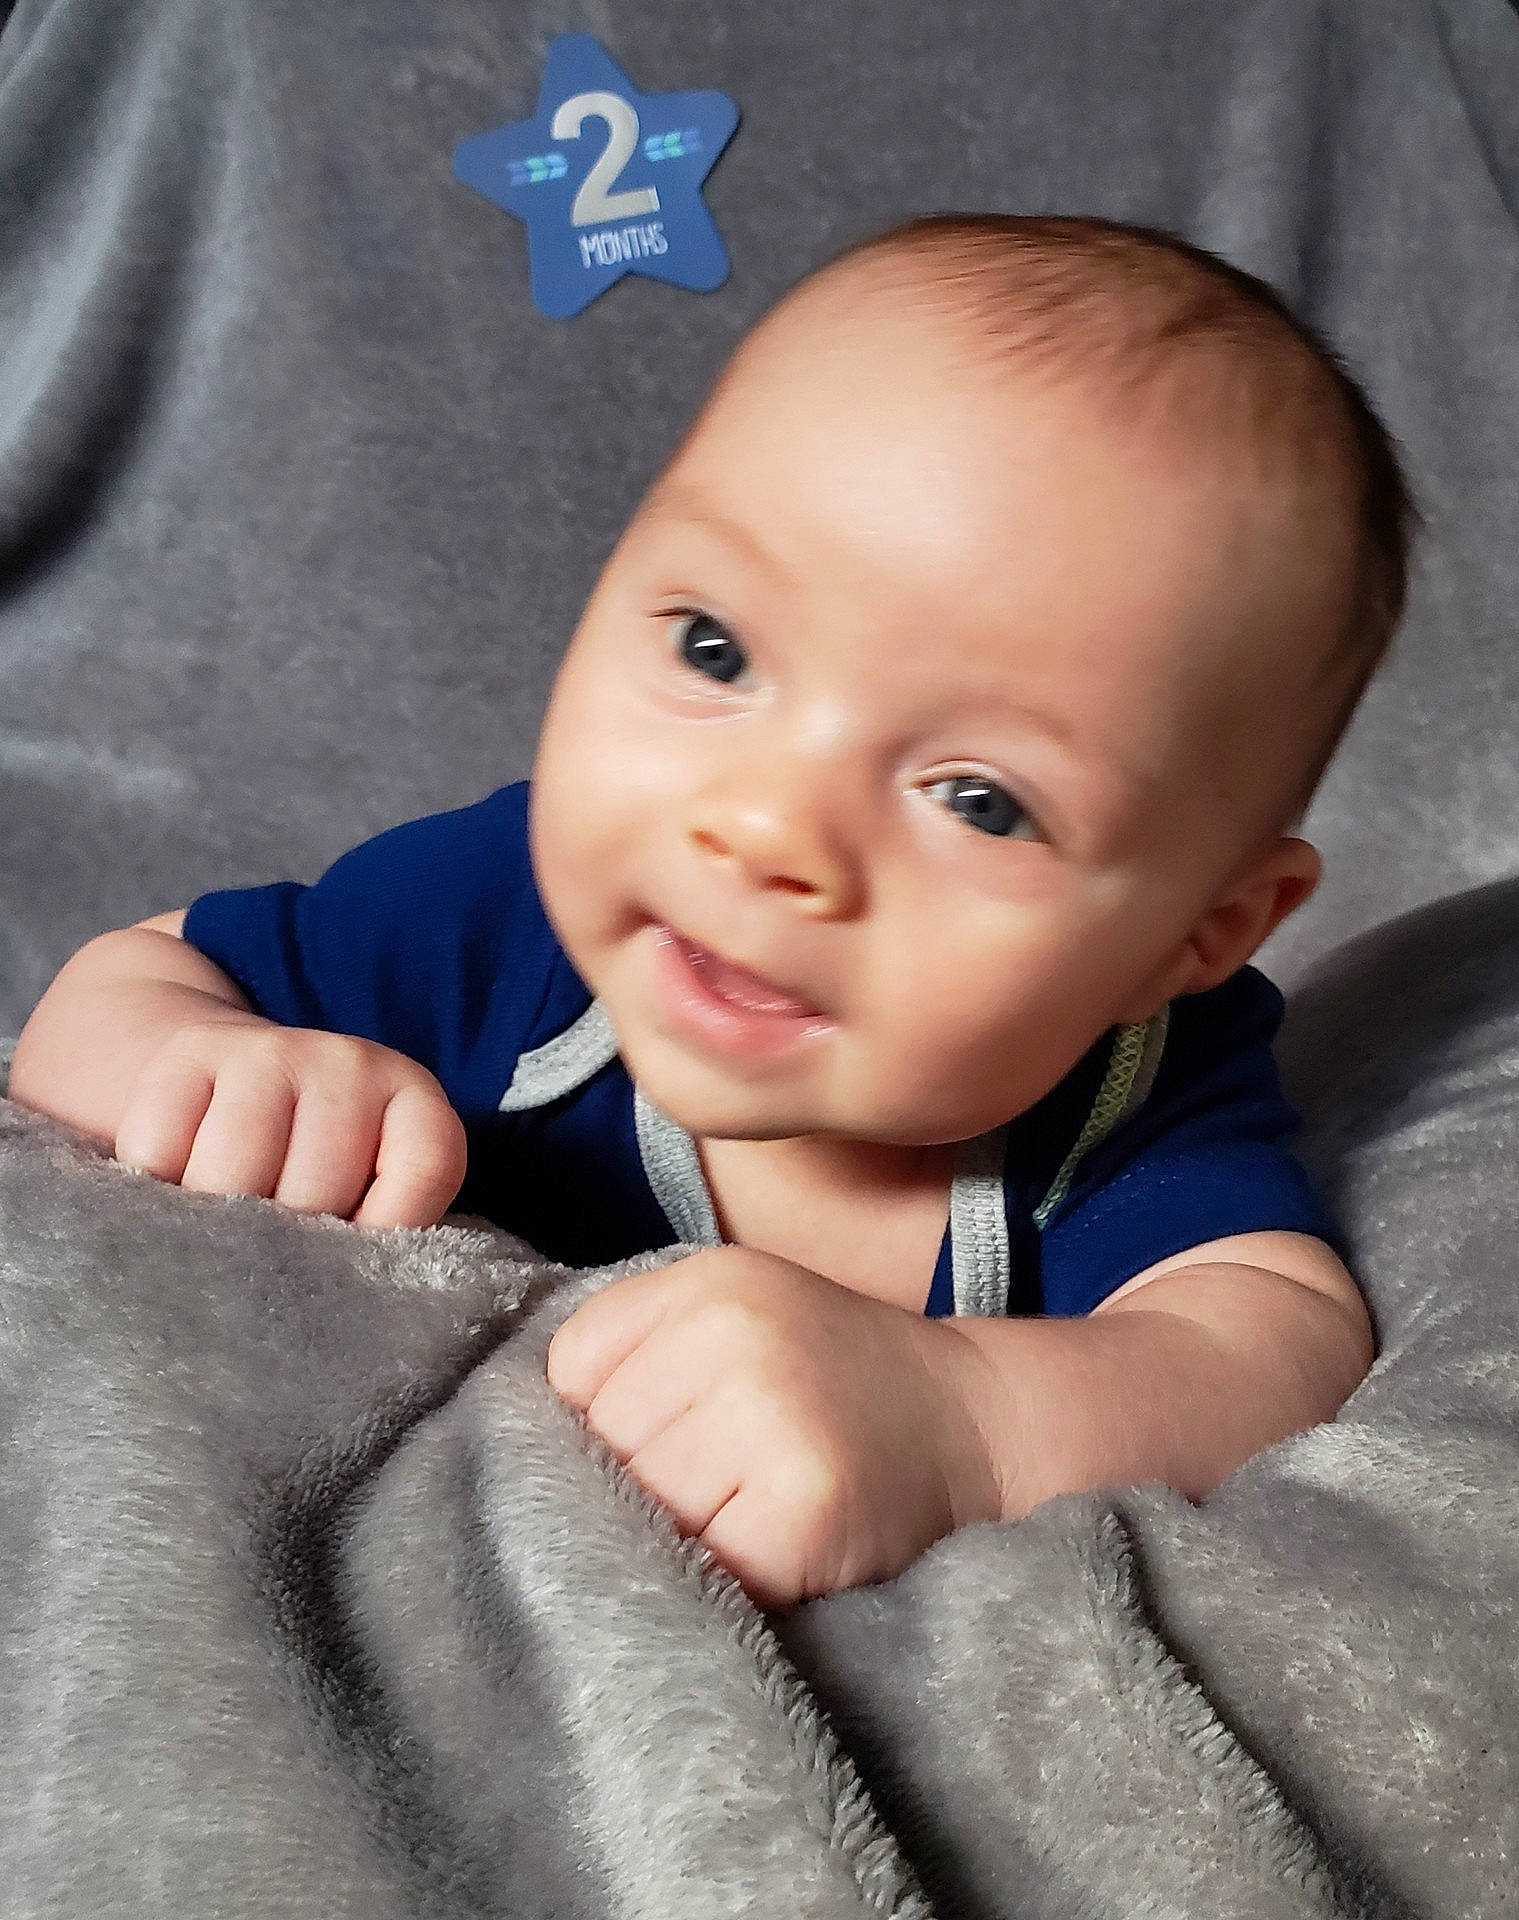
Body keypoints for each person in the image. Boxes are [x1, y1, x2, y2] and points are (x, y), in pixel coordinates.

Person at [10, 213, 1411, 1609]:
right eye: (715, 649)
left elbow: (1267, 1348)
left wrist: (964, 1417)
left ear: (1197, 937)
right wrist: (210, 1064)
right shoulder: (506, 921)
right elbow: (129, 981)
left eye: (981, 800)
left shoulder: (1119, 1092)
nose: (767, 828)